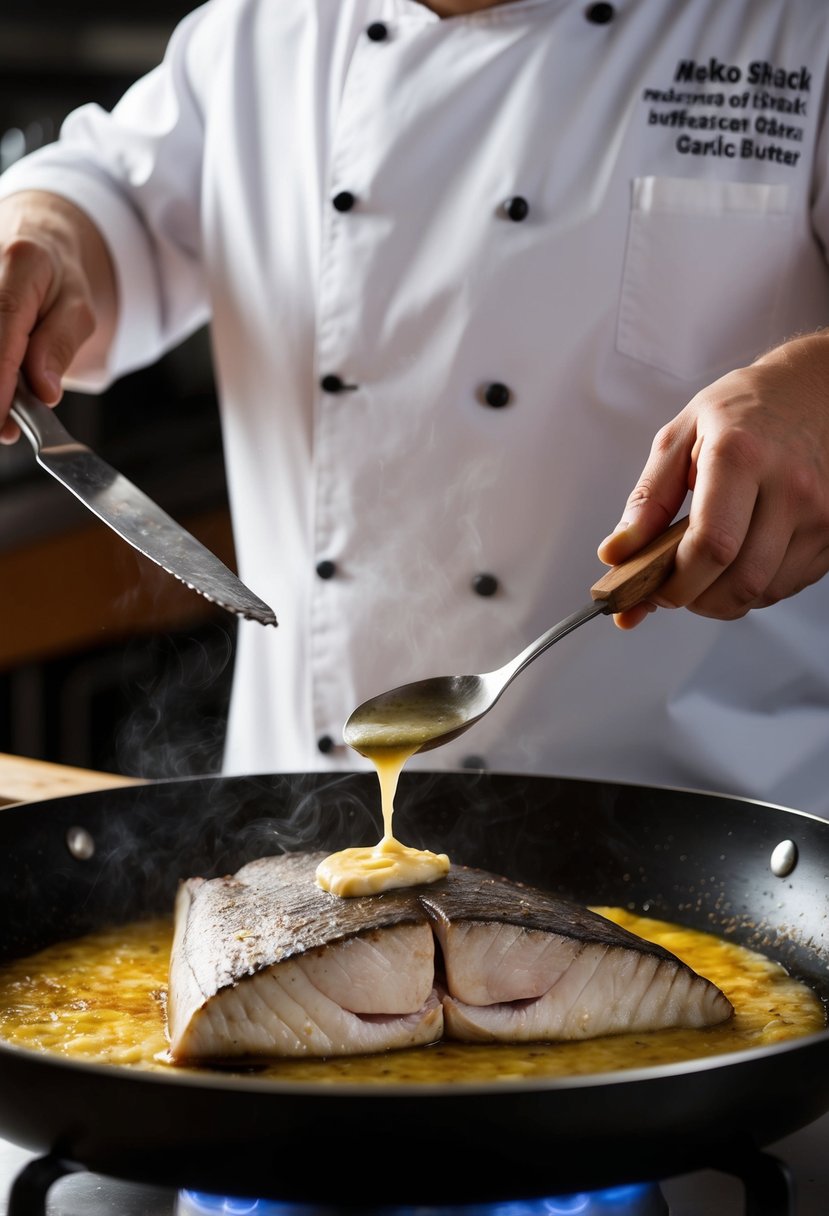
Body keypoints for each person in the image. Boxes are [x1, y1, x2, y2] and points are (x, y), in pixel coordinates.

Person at [1, 0, 829, 815]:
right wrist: (41, 238)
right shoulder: (261, 27)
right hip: (294, 837)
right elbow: (109, 196)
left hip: (710, 851)